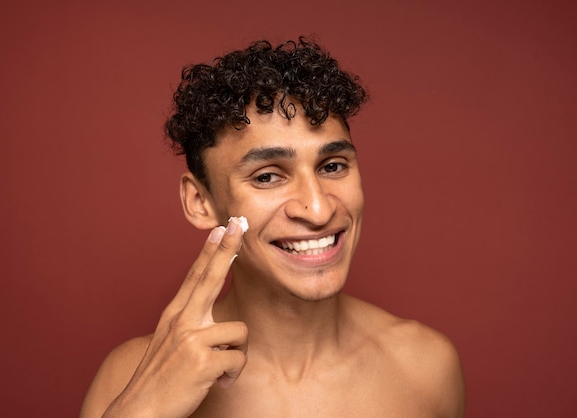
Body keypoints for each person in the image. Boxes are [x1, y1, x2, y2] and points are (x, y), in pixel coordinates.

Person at [80, 38, 466, 417]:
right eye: (267, 177)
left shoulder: (426, 368)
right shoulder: (129, 380)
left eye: (332, 166)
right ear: (200, 202)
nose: (317, 209)